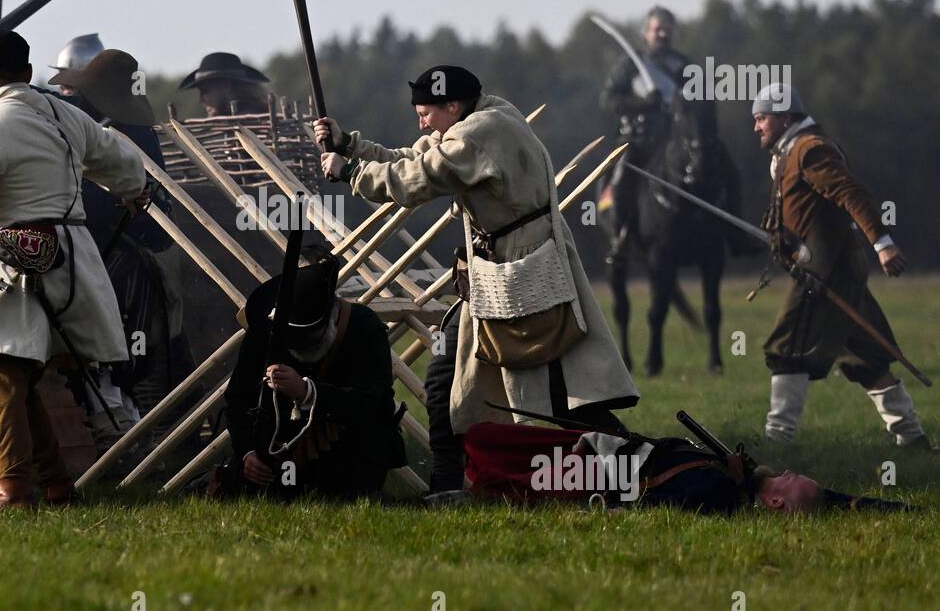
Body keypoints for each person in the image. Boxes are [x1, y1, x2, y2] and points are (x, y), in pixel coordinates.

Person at [317, 65, 640, 469]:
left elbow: (416, 178)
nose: (421, 122)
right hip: (494, 279)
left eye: (426, 113)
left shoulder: (480, 133)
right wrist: (349, 145)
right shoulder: (482, 116)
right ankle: (451, 485)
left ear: (453, 105)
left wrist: (349, 173)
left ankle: (632, 464)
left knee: (553, 391)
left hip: (519, 278)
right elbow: (411, 158)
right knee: (449, 381)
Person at [0, 30, 148, 510]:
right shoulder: (65, 114)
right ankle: (56, 488)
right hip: (74, 259)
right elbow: (126, 168)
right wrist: (125, 186)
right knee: (13, 370)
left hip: (19, 255)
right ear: (29, 73)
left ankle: (14, 493)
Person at [751, 83, 933, 448]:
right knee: (866, 357)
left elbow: (850, 193)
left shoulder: (810, 149)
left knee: (787, 348)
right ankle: (912, 438)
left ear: (785, 117)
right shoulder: (790, 151)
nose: (757, 127)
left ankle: (777, 441)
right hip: (836, 269)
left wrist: (882, 244)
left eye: (761, 118)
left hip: (825, 272)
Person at [52, 49, 192, 429]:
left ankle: (127, 431)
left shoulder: (119, 132)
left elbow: (107, 203)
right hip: (124, 250)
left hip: (128, 257)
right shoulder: (116, 127)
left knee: (126, 356)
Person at [220, 257, 407, 500]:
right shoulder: (266, 329)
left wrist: (307, 392)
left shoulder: (364, 328)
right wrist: (247, 453)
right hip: (275, 450)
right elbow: (238, 397)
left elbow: (369, 402)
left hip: (347, 453)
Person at [461, 418, 910, 514]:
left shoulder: (718, 495)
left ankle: (451, 499)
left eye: (793, 482)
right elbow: (839, 501)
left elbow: (650, 504)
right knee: (483, 436)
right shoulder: (743, 478)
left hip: (597, 472)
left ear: (775, 502)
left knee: (493, 481)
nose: (791, 473)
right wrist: (902, 509)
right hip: (605, 451)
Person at [598, 6, 745, 261]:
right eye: (658, 29)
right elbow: (608, 99)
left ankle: (736, 234)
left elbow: (698, 101)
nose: (663, 35)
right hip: (639, 139)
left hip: (678, 139)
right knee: (621, 177)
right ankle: (620, 237)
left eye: (667, 30)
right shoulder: (629, 65)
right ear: (646, 32)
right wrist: (644, 103)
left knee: (727, 167)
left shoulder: (683, 65)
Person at [178, 52, 272, 117]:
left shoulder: (250, 123)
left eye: (205, 90)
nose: (201, 99)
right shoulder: (242, 122)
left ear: (226, 85)